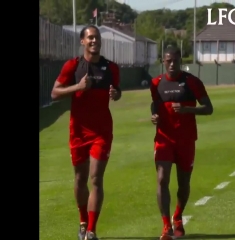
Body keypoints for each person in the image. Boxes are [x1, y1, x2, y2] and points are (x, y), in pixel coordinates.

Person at [51, 25, 121, 240]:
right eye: (90, 37)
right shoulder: (73, 66)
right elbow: (55, 93)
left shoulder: (111, 68)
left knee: (96, 178)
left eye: (97, 37)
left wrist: (116, 94)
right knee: (80, 178)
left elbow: (116, 92)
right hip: (78, 132)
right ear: (82, 41)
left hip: (101, 131)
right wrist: (78, 87)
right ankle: (82, 223)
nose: (94, 41)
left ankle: (91, 230)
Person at [150, 46, 214, 240]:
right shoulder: (156, 83)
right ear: (163, 61)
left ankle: (177, 217)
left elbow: (208, 108)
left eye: (175, 61)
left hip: (186, 140)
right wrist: (153, 114)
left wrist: (187, 110)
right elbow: (155, 103)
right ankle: (166, 226)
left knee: (183, 183)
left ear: (180, 61)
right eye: (168, 61)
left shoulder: (192, 82)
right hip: (164, 139)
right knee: (162, 179)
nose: (171, 64)